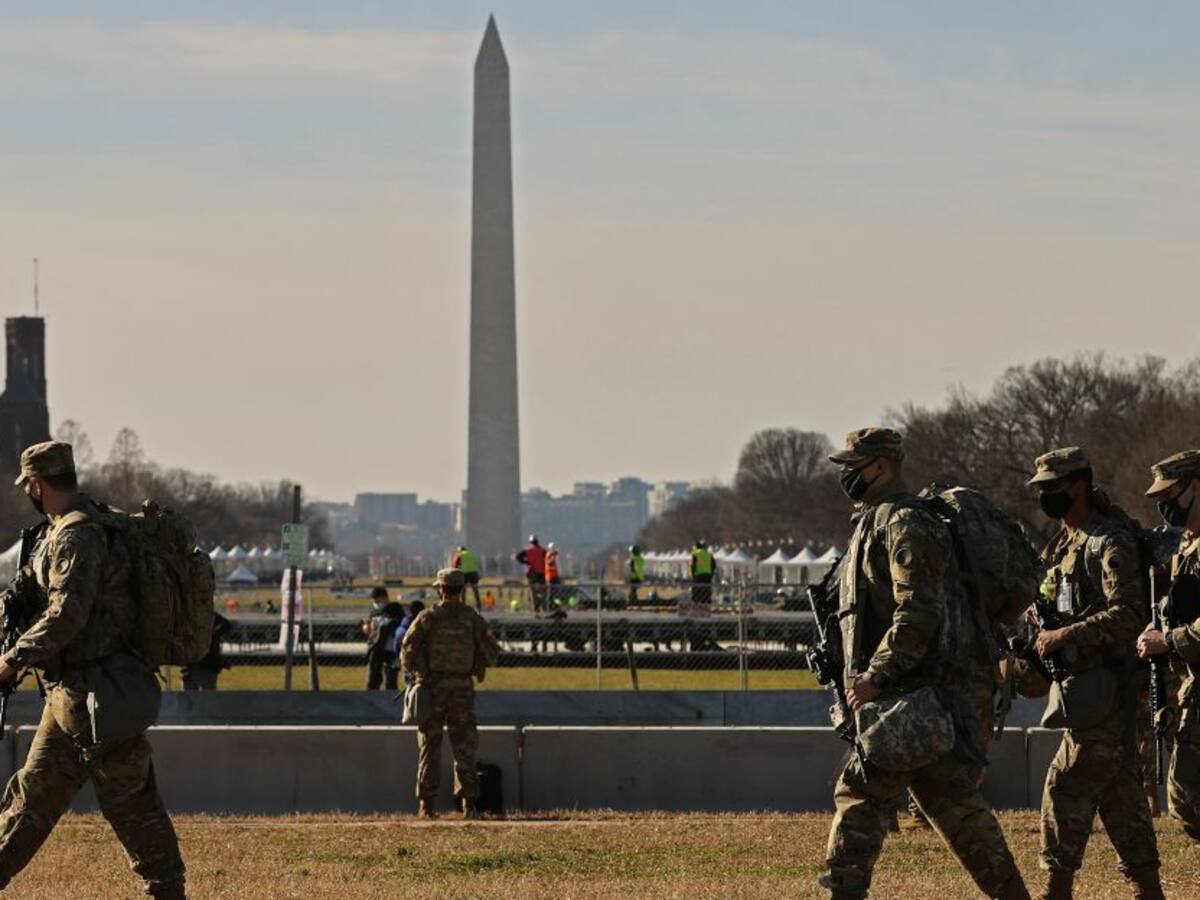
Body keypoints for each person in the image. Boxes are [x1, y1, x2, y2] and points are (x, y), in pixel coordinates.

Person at [819, 428, 1028, 900]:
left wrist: (878, 674)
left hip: (911, 698)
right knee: (958, 809)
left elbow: (918, 611)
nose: (847, 476)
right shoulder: (876, 520)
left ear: (880, 466)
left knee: (860, 797)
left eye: (854, 466)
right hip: (926, 700)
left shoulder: (905, 523)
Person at [0, 441, 186, 898]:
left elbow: (67, 615)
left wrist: (12, 659)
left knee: (130, 806)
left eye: (28, 486)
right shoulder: (81, 525)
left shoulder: (77, 535)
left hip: (100, 694)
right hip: (79, 694)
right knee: (35, 797)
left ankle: (168, 891)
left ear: (37, 485)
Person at [1027, 447, 1163, 899]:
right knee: (1121, 794)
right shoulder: (1063, 545)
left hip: (1112, 688)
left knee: (1066, 785)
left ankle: (1057, 889)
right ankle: (1149, 889)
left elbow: (1130, 614)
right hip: (1086, 690)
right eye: (1041, 488)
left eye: (1053, 487)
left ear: (1079, 486)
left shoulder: (1108, 541)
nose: (1045, 495)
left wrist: (1065, 635)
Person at [401, 568, 499, 819]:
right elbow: (492, 653)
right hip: (461, 690)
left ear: (441, 589)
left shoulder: (428, 617)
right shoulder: (472, 618)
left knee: (429, 746)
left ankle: (427, 806)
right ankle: (469, 805)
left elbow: (407, 650)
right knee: (464, 747)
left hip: (432, 689)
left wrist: (418, 672)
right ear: (461, 590)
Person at [1138, 449, 1200, 842]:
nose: (1163, 505)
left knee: (1188, 794)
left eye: (1169, 494)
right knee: (1187, 798)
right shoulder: (1187, 545)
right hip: (1192, 681)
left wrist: (1169, 641)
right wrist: (1158, 627)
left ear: (1196, 487)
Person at [362, 587, 404, 691]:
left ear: (384, 598)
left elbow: (399, 625)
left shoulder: (395, 609)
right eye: (374, 602)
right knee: (373, 677)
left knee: (390, 678)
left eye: (377, 601)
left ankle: (390, 696)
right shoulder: (374, 612)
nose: (376, 603)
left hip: (391, 649)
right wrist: (367, 628)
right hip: (377, 649)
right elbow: (370, 628)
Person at [182, 611, 232, 690]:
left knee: (207, 689)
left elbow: (226, 625)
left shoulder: (208, 615)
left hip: (207, 663)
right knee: (190, 690)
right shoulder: (188, 616)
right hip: (192, 663)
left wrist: (212, 634)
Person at [388, 599, 425, 686]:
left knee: (409, 683)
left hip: (407, 660)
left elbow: (396, 644)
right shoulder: (423, 626)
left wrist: (398, 656)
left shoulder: (403, 625)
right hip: (422, 661)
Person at [515, 535, 547, 614]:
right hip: (541, 573)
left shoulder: (527, 550)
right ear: (537, 541)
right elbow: (547, 559)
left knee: (534, 591)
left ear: (530, 542)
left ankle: (536, 609)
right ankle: (544, 607)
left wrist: (526, 562)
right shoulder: (542, 550)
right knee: (543, 591)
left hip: (532, 573)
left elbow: (518, 557)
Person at [452, 545, 482, 610]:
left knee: (463, 590)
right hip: (474, 574)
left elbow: (455, 565)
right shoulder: (471, 554)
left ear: (460, 550)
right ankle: (479, 606)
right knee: (475, 590)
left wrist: (455, 572)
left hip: (465, 574)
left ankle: (463, 605)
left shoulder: (460, 554)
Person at [689, 539, 715, 607]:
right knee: (706, 594)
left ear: (696, 547)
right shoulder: (708, 554)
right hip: (707, 576)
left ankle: (697, 608)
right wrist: (710, 574)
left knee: (697, 594)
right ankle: (707, 608)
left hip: (698, 576)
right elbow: (714, 565)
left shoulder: (695, 553)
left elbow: (693, 565)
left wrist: (693, 574)